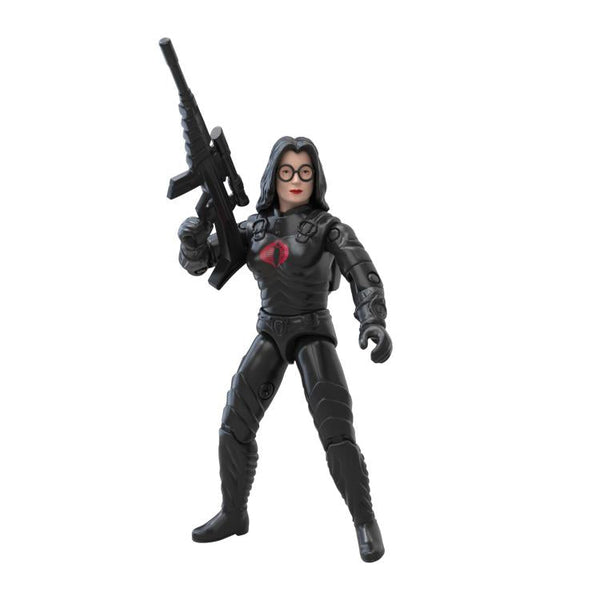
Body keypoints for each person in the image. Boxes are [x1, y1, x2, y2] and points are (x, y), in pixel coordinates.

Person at [178, 136, 392, 562]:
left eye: (305, 173)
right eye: (287, 172)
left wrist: (373, 320)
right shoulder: (253, 229)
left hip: (313, 330)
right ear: (273, 177)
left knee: (336, 432)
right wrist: (193, 238)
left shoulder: (329, 228)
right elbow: (201, 263)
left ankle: (364, 521)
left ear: (316, 179)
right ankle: (233, 513)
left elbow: (362, 273)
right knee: (234, 422)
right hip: (270, 331)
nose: (296, 180)